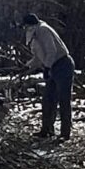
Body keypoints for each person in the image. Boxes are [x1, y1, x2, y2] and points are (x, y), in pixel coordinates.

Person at [22, 12, 74, 141]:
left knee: (63, 100)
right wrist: (26, 66)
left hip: (62, 64)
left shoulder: (43, 30)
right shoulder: (35, 35)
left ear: (31, 25)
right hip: (53, 66)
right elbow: (38, 57)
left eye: (26, 26)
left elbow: (52, 51)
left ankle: (64, 134)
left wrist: (47, 67)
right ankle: (47, 130)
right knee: (48, 99)